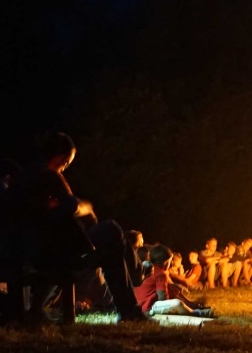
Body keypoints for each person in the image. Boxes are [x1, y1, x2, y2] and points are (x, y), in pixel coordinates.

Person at [11, 131, 146, 321]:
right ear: (60, 157)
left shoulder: (21, 179)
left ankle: (130, 310)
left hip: (33, 251)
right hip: (54, 253)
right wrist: (87, 207)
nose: (64, 169)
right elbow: (73, 206)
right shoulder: (49, 175)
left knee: (110, 253)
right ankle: (135, 283)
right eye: (66, 163)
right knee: (112, 229)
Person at [134, 245, 210, 316]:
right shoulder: (160, 274)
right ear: (166, 262)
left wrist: (174, 288)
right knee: (177, 303)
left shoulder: (148, 267)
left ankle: (191, 305)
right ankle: (196, 313)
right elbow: (162, 297)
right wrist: (171, 301)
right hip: (148, 307)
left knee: (172, 288)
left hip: (139, 304)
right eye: (170, 261)